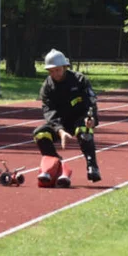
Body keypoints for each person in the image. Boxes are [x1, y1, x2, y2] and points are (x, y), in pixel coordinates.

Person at [32, 49, 102, 184]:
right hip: (59, 122)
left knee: (84, 131)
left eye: (57, 70)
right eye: (51, 71)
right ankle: (57, 166)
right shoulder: (47, 87)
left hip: (79, 118)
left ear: (65, 67)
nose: (55, 74)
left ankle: (92, 166)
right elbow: (49, 111)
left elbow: (91, 101)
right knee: (39, 134)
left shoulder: (80, 80)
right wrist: (60, 130)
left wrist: (91, 118)